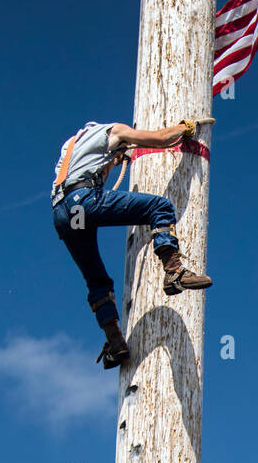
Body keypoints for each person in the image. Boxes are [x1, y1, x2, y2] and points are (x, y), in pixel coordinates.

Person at [51, 118, 213, 369]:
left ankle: (115, 342)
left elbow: (91, 169)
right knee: (160, 206)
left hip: (63, 213)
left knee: (97, 281)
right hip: (81, 200)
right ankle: (174, 271)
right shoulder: (113, 130)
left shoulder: (70, 146)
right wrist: (185, 128)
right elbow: (162, 138)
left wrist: (112, 159)